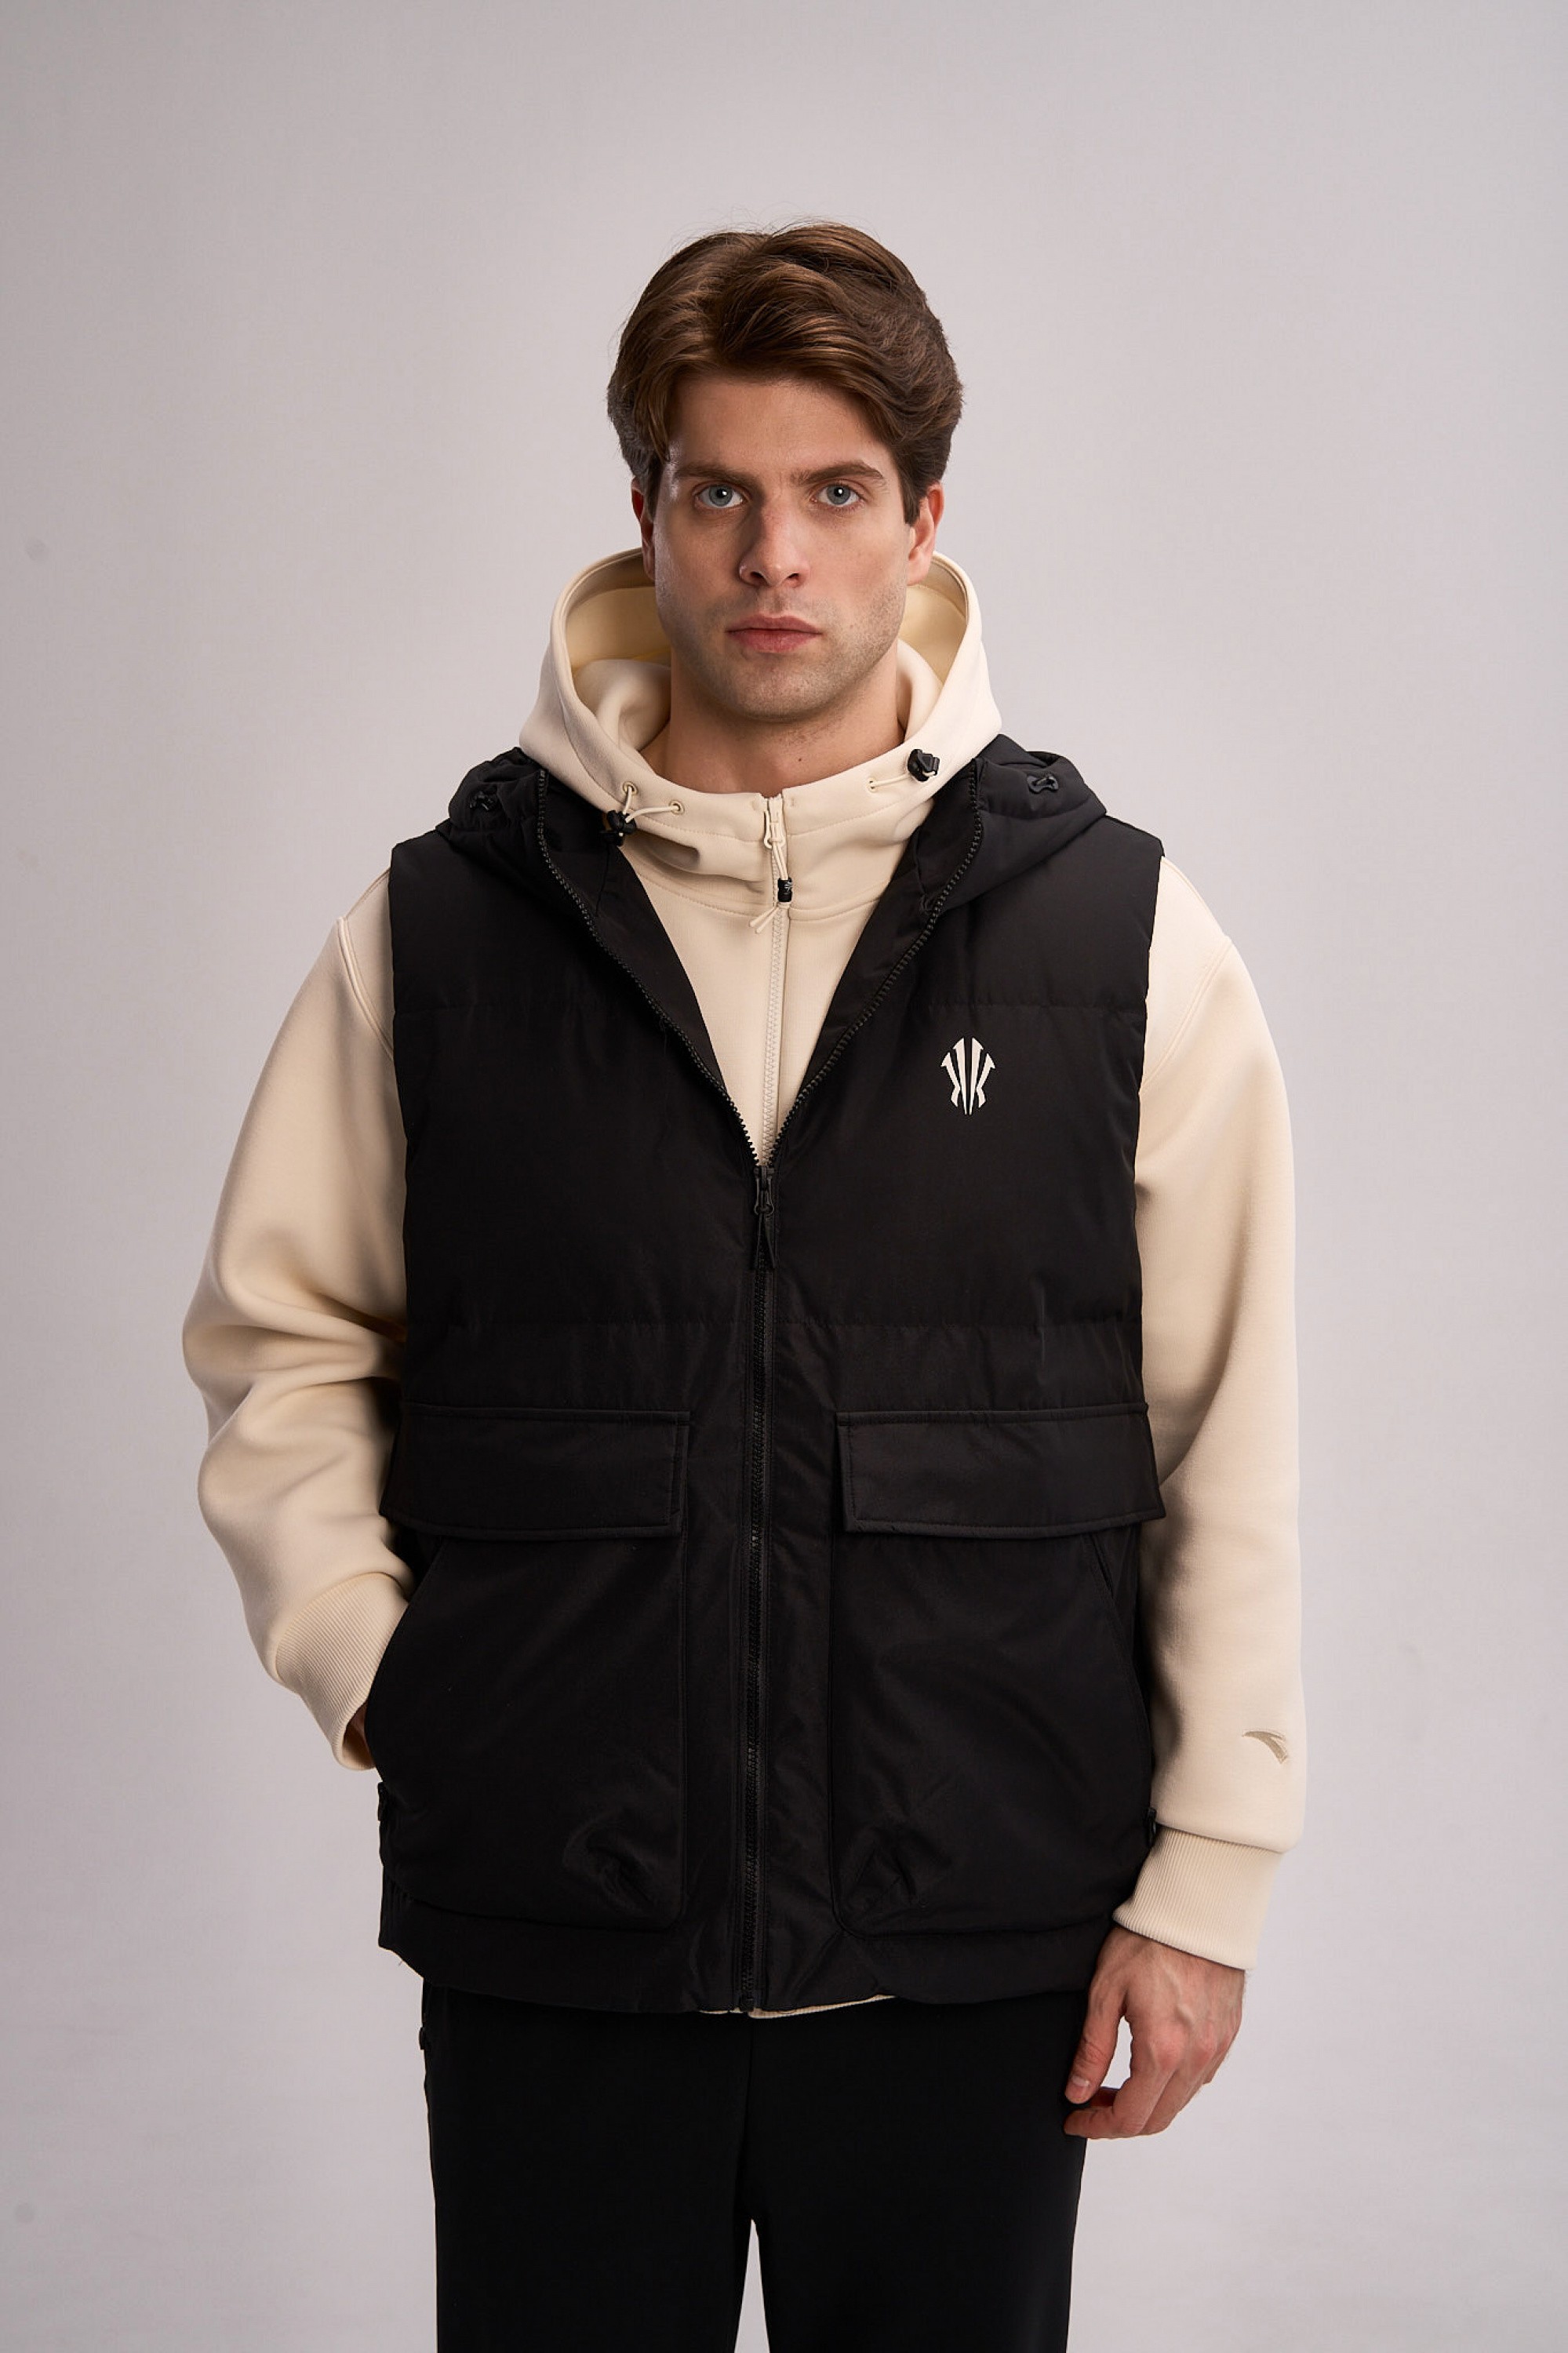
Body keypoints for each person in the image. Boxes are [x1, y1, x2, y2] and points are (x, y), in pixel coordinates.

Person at [183, 222, 1304, 2351]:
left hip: (975, 1938)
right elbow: (279, 1342)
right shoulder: (443, 934)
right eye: (721, 491)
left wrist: (1210, 1879)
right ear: (646, 512)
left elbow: (1223, 1431)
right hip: (566, 1931)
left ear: (924, 521)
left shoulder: (1120, 942)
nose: (774, 556)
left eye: (835, 492)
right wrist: (390, 1676)